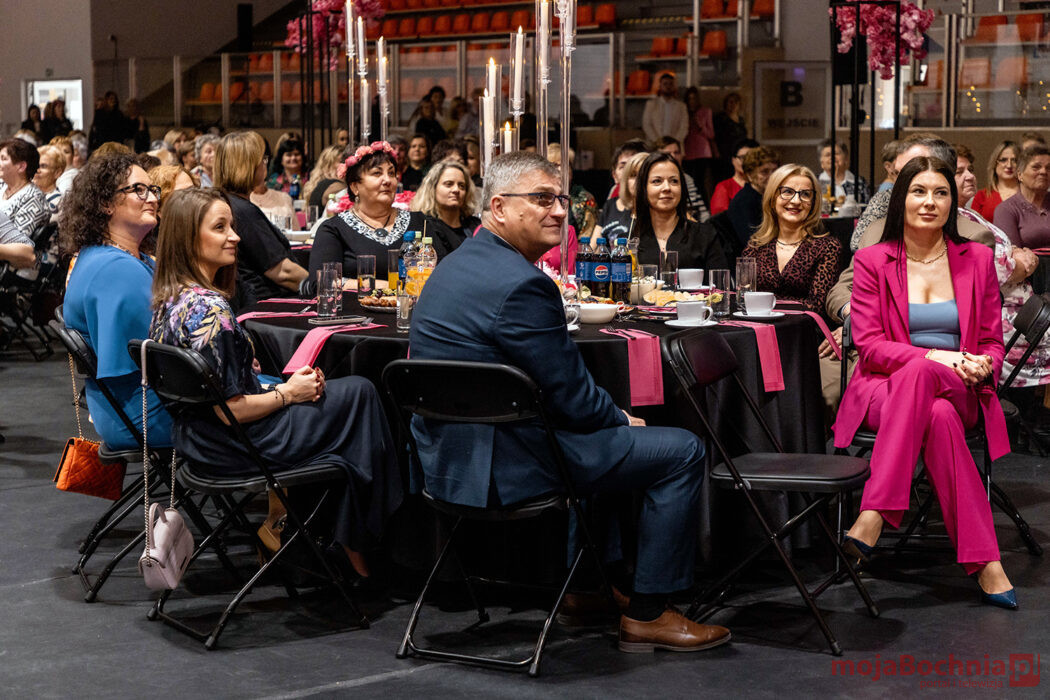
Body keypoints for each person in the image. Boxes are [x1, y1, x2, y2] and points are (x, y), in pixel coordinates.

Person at [410, 150, 729, 653]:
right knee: (680, 450)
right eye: (542, 199)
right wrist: (618, 417)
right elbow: (573, 398)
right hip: (506, 465)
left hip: (445, 461)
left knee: (603, 437)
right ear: (498, 207)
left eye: (560, 198)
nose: (560, 210)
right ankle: (648, 613)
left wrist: (606, 421)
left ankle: (587, 588)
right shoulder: (523, 284)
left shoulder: (451, 267)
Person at [150, 187, 401, 579]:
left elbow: (217, 393)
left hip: (197, 439)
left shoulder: (169, 299)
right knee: (361, 395)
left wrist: (265, 382)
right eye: (220, 228)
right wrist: (287, 393)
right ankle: (365, 544)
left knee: (346, 404)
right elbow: (231, 410)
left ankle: (325, 538)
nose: (235, 237)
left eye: (232, 226)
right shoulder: (210, 310)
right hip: (235, 443)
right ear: (187, 239)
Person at [834, 156, 1015, 609]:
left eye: (940, 193)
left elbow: (993, 342)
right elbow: (871, 347)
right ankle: (986, 562)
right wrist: (936, 356)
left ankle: (876, 510)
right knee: (935, 411)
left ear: (953, 202)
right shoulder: (872, 260)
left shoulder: (976, 258)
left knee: (934, 395)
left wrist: (982, 364)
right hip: (884, 389)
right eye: (919, 191)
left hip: (962, 386)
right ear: (901, 199)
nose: (929, 202)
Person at [59, 151, 173, 450]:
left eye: (153, 189)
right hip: (145, 413)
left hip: (130, 408)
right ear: (105, 203)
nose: (152, 198)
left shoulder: (116, 257)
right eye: (138, 190)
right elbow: (166, 353)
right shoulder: (116, 269)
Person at [953, 144, 1044, 389]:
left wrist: (1016, 252)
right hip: (1001, 319)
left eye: (970, 169)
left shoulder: (967, 214)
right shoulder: (953, 220)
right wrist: (1021, 262)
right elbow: (995, 269)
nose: (969, 176)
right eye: (959, 172)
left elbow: (1003, 248)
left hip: (1022, 309)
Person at [214, 131, 307, 307]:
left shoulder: (225, 202)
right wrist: (325, 285)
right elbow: (284, 273)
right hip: (266, 307)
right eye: (262, 159)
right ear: (248, 166)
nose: (265, 163)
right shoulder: (243, 211)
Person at [309, 141, 425, 281]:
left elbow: (441, 274)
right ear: (355, 187)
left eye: (391, 173)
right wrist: (390, 287)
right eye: (377, 173)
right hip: (356, 297)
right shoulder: (334, 230)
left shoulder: (420, 223)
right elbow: (322, 281)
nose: (387, 180)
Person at [741, 164, 842, 313]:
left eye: (805, 194)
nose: (796, 201)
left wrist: (766, 305)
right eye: (787, 192)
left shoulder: (827, 247)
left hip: (804, 326)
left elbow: (816, 306)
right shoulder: (755, 247)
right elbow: (743, 299)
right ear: (772, 198)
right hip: (759, 325)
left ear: (813, 203)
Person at [633, 151, 728, 270]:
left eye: (674, 181)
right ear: (644, 188)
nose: (667, 188)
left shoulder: (704, 235)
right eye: (657, 181)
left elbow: (720, 280)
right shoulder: (629, 242)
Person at [409, 159, 480, 258]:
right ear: (433, 188)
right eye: (449, 184)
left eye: (462, 186)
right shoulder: (426, 227)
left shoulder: (475, 225)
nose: (456, 190)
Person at [0, 139, 49, 269]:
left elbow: (18, 247)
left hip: (15, 268)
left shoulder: (34, 198)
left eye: (3, 159)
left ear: (21, 166)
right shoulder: (2, 185)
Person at [993, 143, 1050, 251]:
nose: (1043, 172)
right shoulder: (1006, 210)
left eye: (1048, 168)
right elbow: (1011, 253)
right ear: (1020, 175)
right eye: (1036, 167)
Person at [726, 146, 780, 250]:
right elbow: (753, 242)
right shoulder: (744, 202)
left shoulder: (770, 197)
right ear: (750, 175)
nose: (772, 176)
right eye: (764, 172)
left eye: (774, 171)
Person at [547, 143, 598, 240]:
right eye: (554, 165)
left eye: (565, 165)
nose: (560, 169)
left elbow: (587, 237)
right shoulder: (540, 197)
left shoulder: (585, 198)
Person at [596, 151, 647, 245]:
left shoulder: (657, 217)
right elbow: (592, 246)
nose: (638, 181)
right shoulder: (610, 205)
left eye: (643, 175)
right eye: (633, 175)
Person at [656, 136, 711, 222]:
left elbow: (701, 210)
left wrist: (706, 226)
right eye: (668, 154)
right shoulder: (655, 181)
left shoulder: (687, 178)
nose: (673, 157)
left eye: (676, 152)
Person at [970, 140, 1020, 223]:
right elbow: (972, 226)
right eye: (1003, 160)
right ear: (995, 164)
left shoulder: (1028, 195)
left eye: (1014, 160)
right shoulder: (982, 196)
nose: (1009, 165)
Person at [683, 86, 716, 200]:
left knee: (701, 182)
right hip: (687, 151)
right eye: (689, 99)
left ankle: (703, 205)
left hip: (702, 152)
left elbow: (711, 134)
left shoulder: (705, 111)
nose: (692, 101)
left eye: (694, 98)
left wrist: (700, 125)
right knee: (688, 181)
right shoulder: (683, 111)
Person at [709, 138, 757, 216]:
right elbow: (720, 218)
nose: (747, 162)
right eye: (742, 157)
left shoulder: (762, 186)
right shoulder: (724, 187)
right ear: (733, 160)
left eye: (751, 158)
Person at [817, 139, 870, 204]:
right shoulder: (815, 183)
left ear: (846, 158)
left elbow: (868, 205)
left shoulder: (860, 182)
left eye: (836, 154)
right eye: (827, 155)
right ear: (821, 162)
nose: (832, 157)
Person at [642, 72, 688, 145]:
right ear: (660, 86)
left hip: (674, 146)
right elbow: (647, 125)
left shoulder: (681, 106)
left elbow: (684, 127)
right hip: (654, 145)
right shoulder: (651, 104)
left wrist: (674, 142)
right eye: (665, 84)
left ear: (674, 86)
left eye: (671, 84)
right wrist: (657, 141)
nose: (668, 86)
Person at [713, 92, 748, 181]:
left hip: (738, 156)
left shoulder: (741, 120)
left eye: (736, 102)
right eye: (730, 102)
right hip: (724, 155)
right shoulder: (720, 118)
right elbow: (714, 137)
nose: (733, 105)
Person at [302, 144, 346, 210]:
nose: (347, 164)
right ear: (329, 165)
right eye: (342, 161)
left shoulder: (319, 184)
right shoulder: (337, 187)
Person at [34, 145, 66, 214]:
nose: (37, 170)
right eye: (35, 165)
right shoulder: (26, 193)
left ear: (57, 173)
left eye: (43, 166)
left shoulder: (58, 203)